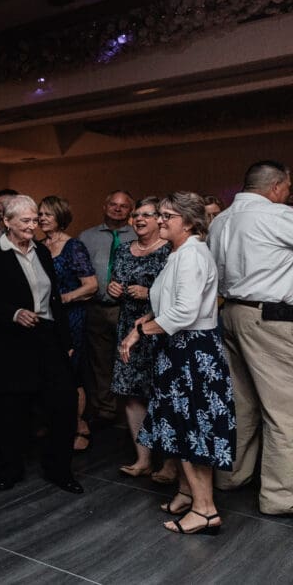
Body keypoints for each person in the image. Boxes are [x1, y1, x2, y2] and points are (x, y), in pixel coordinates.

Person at [120, 192, 235, 535]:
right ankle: (188, 492)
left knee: (193, 431)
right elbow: (168, 303)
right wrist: (140, 326)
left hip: (193, 353)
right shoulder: (179, 253)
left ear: (188, 222)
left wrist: (141, 331)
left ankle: (206, 510)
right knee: (182, 426)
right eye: (162, 215)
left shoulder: (191, 256)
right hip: (179, 350)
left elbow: (184, 312)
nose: (160, 220)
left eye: (168, 216)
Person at [0, 195, 82, 494]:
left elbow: (54, 301)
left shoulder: (43, 253)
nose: (32, 226)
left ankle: (60, 470)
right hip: (13, 340)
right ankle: (10, 469)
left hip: (47, 335)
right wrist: (13, 313)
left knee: (63, 404)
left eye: (35, 220)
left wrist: (66, 340)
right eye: (25, 221)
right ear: (7, 222)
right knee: (13, 408)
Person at [209, 161, 293, 516]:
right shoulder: (277, 216)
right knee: (284, 410)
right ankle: (280, 497)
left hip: (229, 314)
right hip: (268, 319)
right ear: (275, 187)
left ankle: (231, 476)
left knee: (241, 404)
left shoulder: (220, 220)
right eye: (288, 187)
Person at [107, 197, 175, 481]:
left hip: (159, 326)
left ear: (159, 218)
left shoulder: (170, 251)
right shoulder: (123, 249)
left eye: (146, 214)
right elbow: (116, 281)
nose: (138, 219)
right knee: (132, 393)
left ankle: (170, 463)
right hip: (128, 327)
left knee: (164, 395)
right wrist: (113, 289)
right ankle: (143, 458)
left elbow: (175, 293)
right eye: (136, 214)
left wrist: (149, 294)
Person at [38, 196, 98, 452]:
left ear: (60, 217)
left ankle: (79, 426)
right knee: (49, 373)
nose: (41, 218)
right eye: (39, 214)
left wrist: (64, 298)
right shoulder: (38, 246)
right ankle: (56, 423)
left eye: (47, 214)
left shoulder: (74, 247)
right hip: (46, 318)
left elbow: (92, 285)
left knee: (72, 373)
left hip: (71, 316)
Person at [77, 190, 136, 426]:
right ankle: (106, 409)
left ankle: (129, 411)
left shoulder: (138, 234)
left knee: (127, 359)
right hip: (96, 308)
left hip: (128, 309)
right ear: (105, 206)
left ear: (130, 210)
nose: (118, 209)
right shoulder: (86, 237)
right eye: (113, 204)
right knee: (99, 361)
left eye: (123, 206)